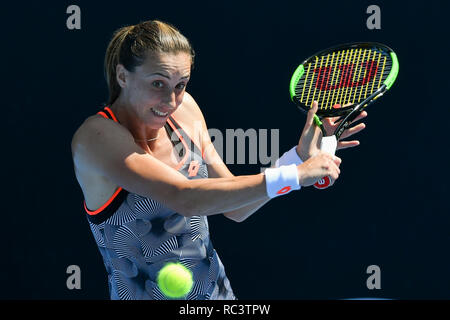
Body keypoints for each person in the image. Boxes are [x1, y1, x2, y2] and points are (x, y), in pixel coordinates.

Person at [71, 20, 366, 300]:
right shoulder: (96, 137)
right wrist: (296, 175)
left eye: (180, 84)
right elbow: (184, 197)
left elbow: (235, 207)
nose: (171, 101)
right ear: (123, 76)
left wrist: (297, 158)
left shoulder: (184, 111)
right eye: (158, 84)